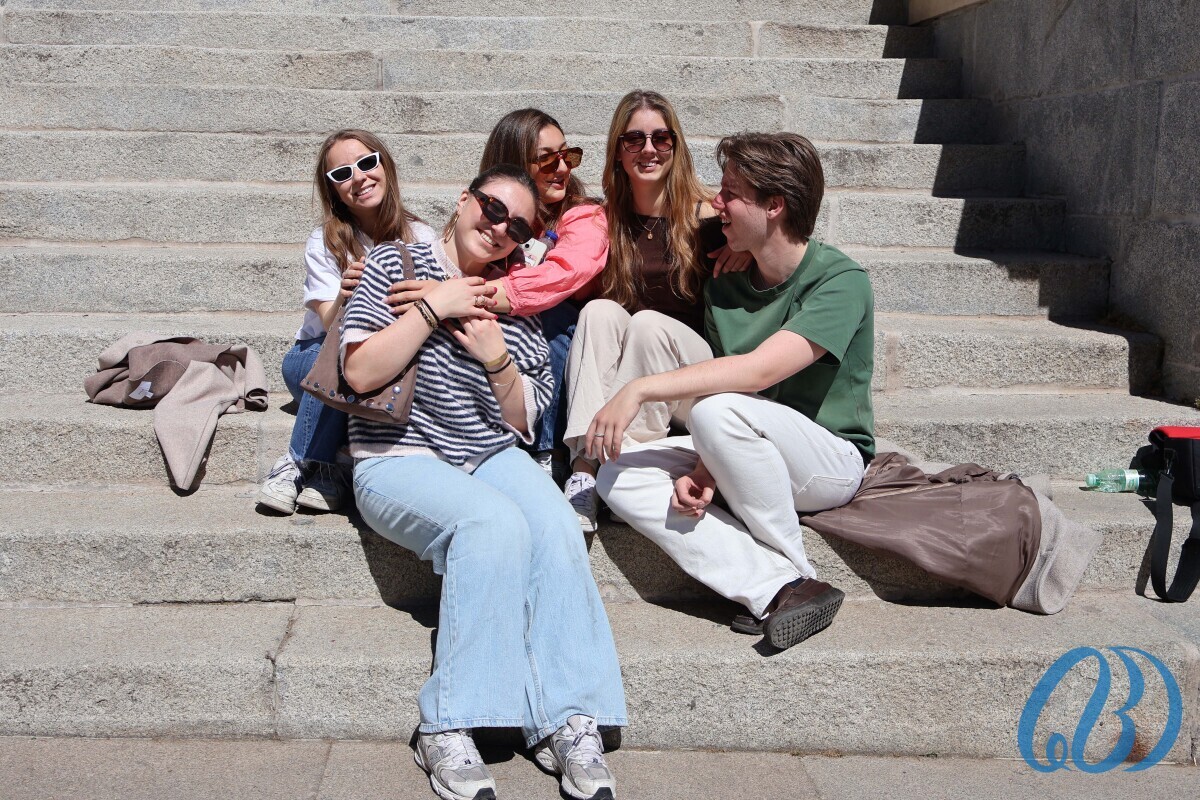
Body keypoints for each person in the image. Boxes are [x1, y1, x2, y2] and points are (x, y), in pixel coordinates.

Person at [342, 164, 627, 800]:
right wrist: (435, 306)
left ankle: (567, 718)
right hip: (397, 455)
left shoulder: (512, 298)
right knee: (491, 525)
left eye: (518, 227)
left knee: (555, 524)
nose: (499, 229)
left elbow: (523, 420)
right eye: (492, 209)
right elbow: (359, 372)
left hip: (488, 452)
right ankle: (448, 723)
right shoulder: (395, 263)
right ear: (464, 199)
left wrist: (496, 356)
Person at [590, 132, 876, 652]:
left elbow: (756, 374)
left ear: (774, 206)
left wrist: (639, 389)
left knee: (719, 410)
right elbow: (729, 404)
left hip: (826, 460)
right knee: (617, 474)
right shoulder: (726, 283)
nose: (716, 203)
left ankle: (796, 566)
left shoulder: (841, 281)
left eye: (731, 194)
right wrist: (706, 469)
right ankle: (776, 587)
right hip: (744, 444)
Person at [560, 90, 750, 531]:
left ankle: (629, 465)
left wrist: (744, 245)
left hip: (695, 385)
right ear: (618, 151)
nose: (648, 149)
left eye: (661, 138)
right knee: (599, 312)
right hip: (634, 378)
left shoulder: (711, 217)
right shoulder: (605, 221)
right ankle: (585, 469)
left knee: (648, 324)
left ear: (675, 146)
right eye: (634, 140)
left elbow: (782, 234)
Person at [385, 109, 608, 483]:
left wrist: (467, 295)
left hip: (561, 342)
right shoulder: (489, 214)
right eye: (547, 159)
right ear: (515, 163)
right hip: (496, 335)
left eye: (568, 155)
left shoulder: (583, 215)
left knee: (549, 320)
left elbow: (565, 273)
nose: (563, 168)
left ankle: (545, 449)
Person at [256, 129, 436, 514]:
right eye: (342, 174)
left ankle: (333, 466)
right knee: (346, 360)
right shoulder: (325, 241)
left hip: (385, 361)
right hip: (312, 358)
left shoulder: (421, 237)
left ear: (385, 165)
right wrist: (345, 294)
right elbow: (327, 322)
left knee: (372, 368)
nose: (358, 178)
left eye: (367, 163)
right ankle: (300, 461)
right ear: (333, 190)